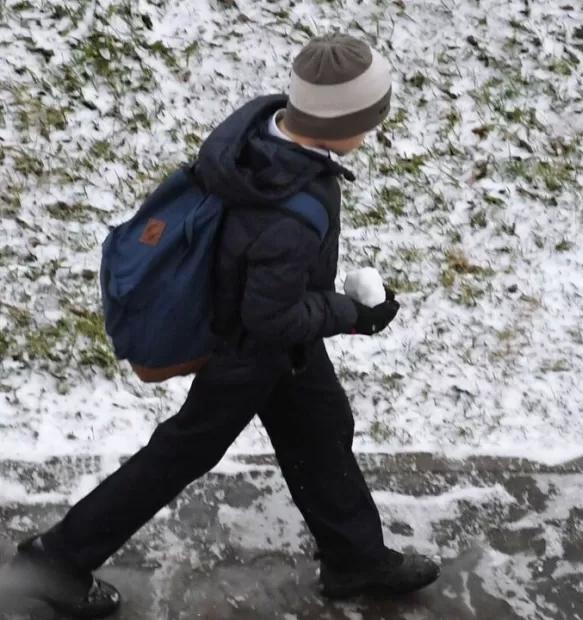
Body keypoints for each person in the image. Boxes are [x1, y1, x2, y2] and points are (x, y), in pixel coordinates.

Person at [2, 33, 439, 618]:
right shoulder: (290, 211)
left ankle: (355, 558)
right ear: (337, 123)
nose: (372, 131)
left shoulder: (264, 138)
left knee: (320, 427)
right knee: (181, 453)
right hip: (252, 350)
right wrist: (353, 314)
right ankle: (54, 562)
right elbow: (272, 315)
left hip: (278, 348)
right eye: (369, 119)